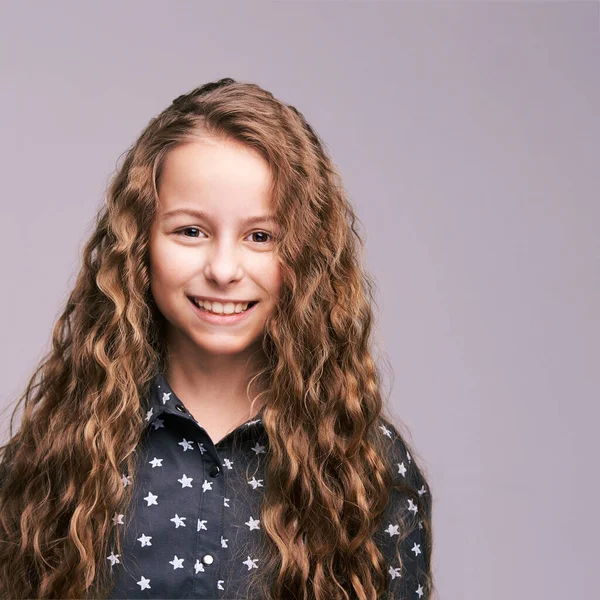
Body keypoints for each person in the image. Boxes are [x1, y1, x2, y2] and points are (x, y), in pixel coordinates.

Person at [0, 78, 434, 600]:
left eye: (260, 237)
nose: (224, 269)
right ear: (140, 245)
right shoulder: (60, 454)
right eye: (191, 231)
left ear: (305, 258)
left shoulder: (368, 472)